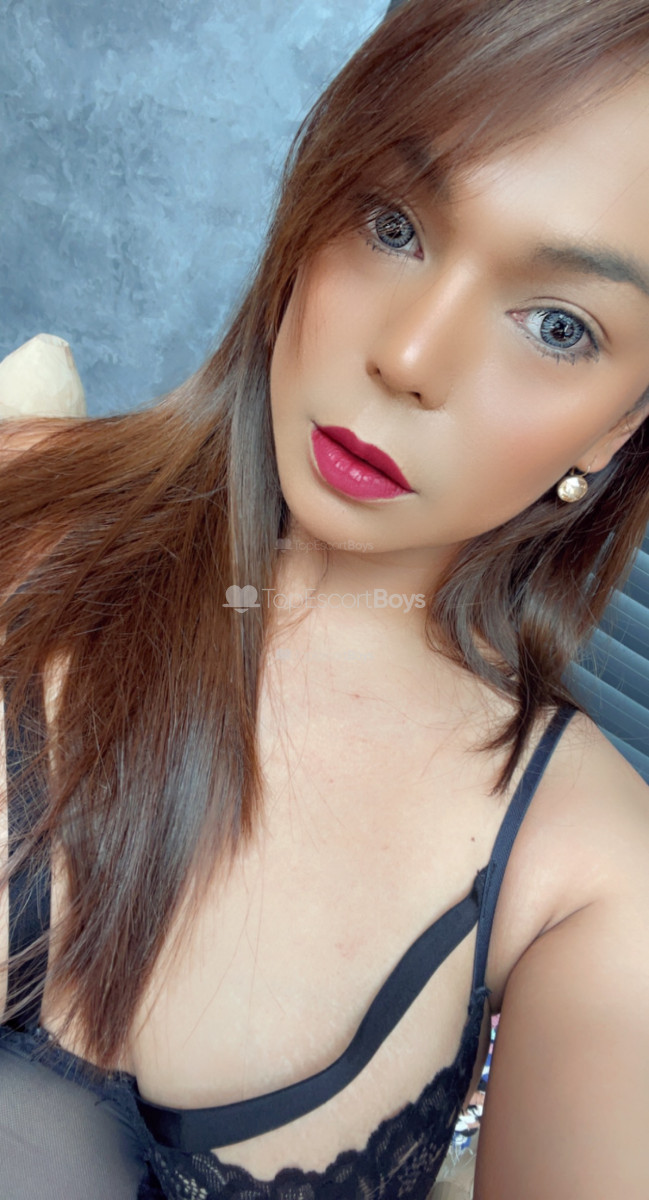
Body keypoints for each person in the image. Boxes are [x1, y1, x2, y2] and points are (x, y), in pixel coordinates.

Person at [1, 0, 649, 1196]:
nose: (410, 356)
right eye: (392, 223)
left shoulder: (592, 873)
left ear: (618, 425)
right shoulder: (21, 500)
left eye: (558, 325)